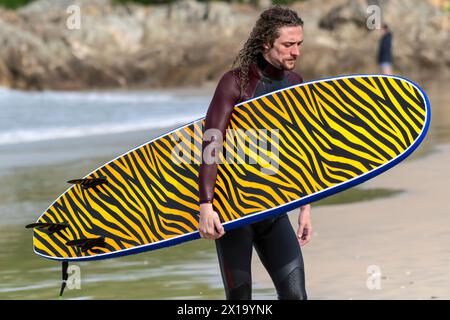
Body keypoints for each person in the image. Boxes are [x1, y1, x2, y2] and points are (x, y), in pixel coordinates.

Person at [198, 5, 312, 300]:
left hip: (274, 211)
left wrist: (306, 205)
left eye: (299, 44)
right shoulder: (235, 83)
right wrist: (206, 204)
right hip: (234, 216)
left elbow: (299, 148)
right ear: (266, 44)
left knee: (296, 297)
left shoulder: (295, 84)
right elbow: (212, 141)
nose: (296, 52)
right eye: (288, 45)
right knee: (240, 302)